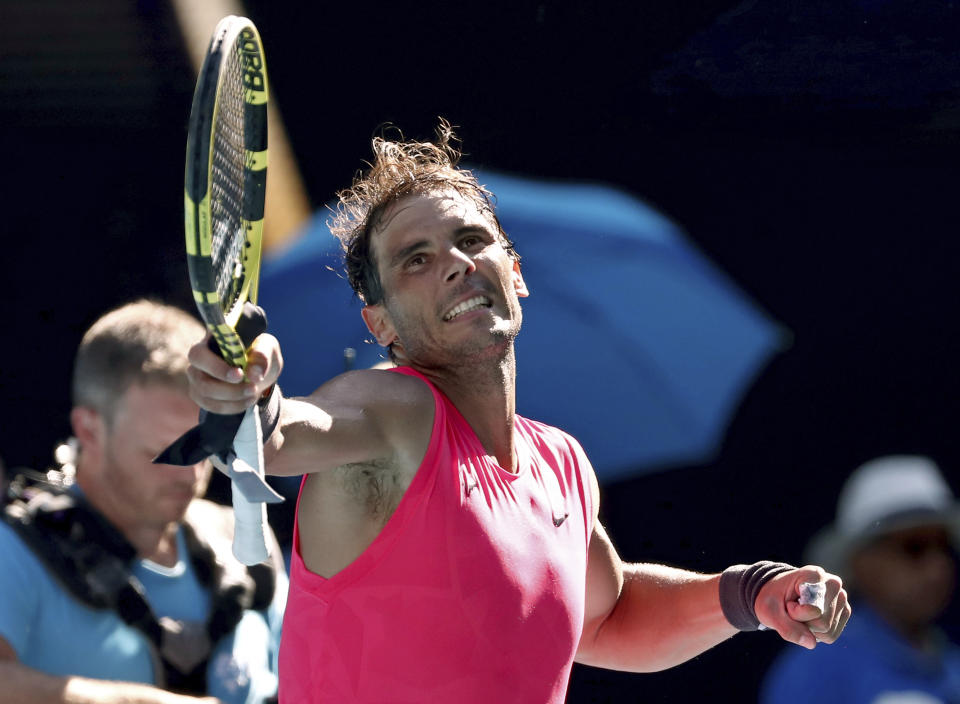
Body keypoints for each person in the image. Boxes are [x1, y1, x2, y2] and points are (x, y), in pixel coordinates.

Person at [186, 122, 851, 703]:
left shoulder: (561, 462)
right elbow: (290, 434)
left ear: (515, 270)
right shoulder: (391, 408)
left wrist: (751, 593)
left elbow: (608, 617)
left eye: (472, 240)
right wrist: (250, 402)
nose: (454, 263)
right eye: (415, 260)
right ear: (379, 323)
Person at [0, 300, 287, 704]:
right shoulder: (14, 552)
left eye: (204, 449)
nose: (189, 475)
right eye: (161, 453)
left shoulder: (247, 543)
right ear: (89, 430)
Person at [761, 455, 960, 703]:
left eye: (944, 546)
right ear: (861, 562)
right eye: (914, 547)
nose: (937, 567)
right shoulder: (819, 668)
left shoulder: (951, 663)